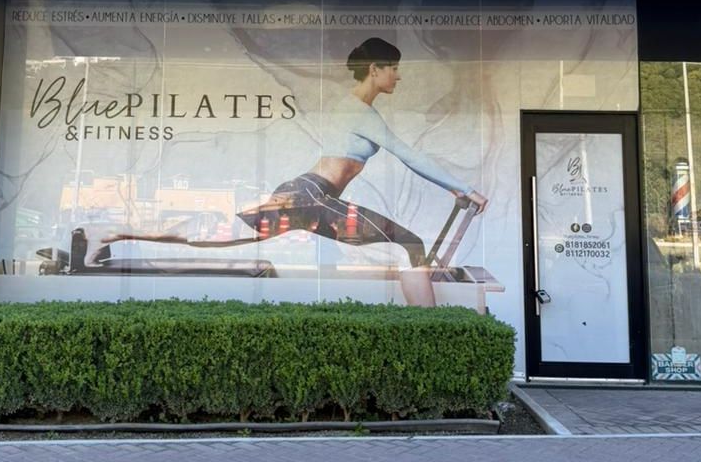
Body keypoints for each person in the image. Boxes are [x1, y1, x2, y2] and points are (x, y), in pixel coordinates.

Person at [104, 37, 487, 306]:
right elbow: (409, 155)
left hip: (304, 193)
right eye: (395, 68)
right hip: (312, 196)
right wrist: (463, 187)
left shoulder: (351, 107)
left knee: (217, 236)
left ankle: (113, 231)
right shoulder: (359, 113)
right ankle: (431, 331)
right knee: (411, 245)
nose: (398, 76)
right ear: (375, 69)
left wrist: (455, 189)